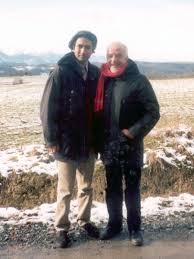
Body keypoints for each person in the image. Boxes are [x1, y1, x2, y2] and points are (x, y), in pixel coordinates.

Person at [94, 42, 160, 246]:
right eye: (110, 55)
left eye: (118, 55)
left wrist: (133, 132)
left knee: (132, 188)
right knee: (112, 187)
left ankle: (135, 229)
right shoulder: (102, 79)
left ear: (126, 56)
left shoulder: (139, 80)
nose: (114, 59)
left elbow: (153, 112)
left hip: (131, 144)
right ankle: (114, 226)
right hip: (108, 144)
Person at [40, 31, 100, 248]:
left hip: (89, 142)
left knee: (86, 187)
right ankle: (61, 228)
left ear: (93, 50)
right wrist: (51, 139)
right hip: (65, 141)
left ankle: (84, 221)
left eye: (88, 46)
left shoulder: (94, 73)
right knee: (65, 189)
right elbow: (47, 109)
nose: (83, 50)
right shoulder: (60, 71)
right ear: (72, 47)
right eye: (80, 46)